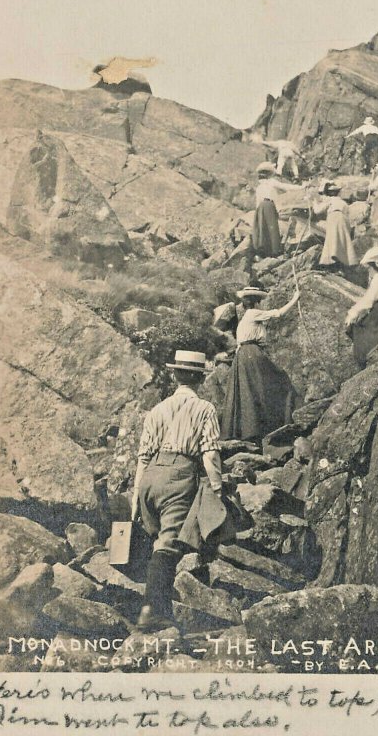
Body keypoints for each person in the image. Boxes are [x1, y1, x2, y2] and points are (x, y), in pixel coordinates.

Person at [131, 350, 223, 631]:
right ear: (200, 378)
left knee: (155, 537)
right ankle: (152, 610)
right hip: (179, 475)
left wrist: (136, 497)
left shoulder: (157, 410)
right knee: (168, 544)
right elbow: (209, 454)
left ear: (175, 375)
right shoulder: (205, 409)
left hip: (150, 475)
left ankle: (152, 601)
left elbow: (143, 457)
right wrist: (217, 489)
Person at [221, 287, 300, 444]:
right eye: (261, 301)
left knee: (249, 390)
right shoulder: (253, 313)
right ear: (257, 302)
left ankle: (250, 430)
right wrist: (295, 299)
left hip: (242, 356)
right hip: (251, 353)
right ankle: (277, 424)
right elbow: (278, 313)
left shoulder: (245, 317)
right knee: (278, 380)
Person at [345, 248, 378, 368]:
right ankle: (369, 358)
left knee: (360, 330)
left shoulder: (377, 280)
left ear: (372, 267)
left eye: (369, 268)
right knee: (373, 332)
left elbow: (368, 301)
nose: (369, 271)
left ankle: (363, 361)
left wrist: (352, 313)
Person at [252, 162, 307, 258]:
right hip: (269, 206)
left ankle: (263, 250)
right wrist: (302, 187)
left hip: (261, 207)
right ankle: (274, 250)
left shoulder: (259, 187)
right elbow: (287, 187)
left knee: (263, 228)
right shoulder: (271, 182)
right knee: (272, 227)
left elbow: (258, 202)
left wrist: (257, 213)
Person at [315, 181, 357, 270]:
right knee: (342, 239)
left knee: (332, 239)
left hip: (333, 217)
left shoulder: (329, 201)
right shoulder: (343, 202)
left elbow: (317, 211)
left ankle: (331, 261)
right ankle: (344, 261)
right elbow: (348, 214)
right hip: (343, 218)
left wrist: (314, 202)